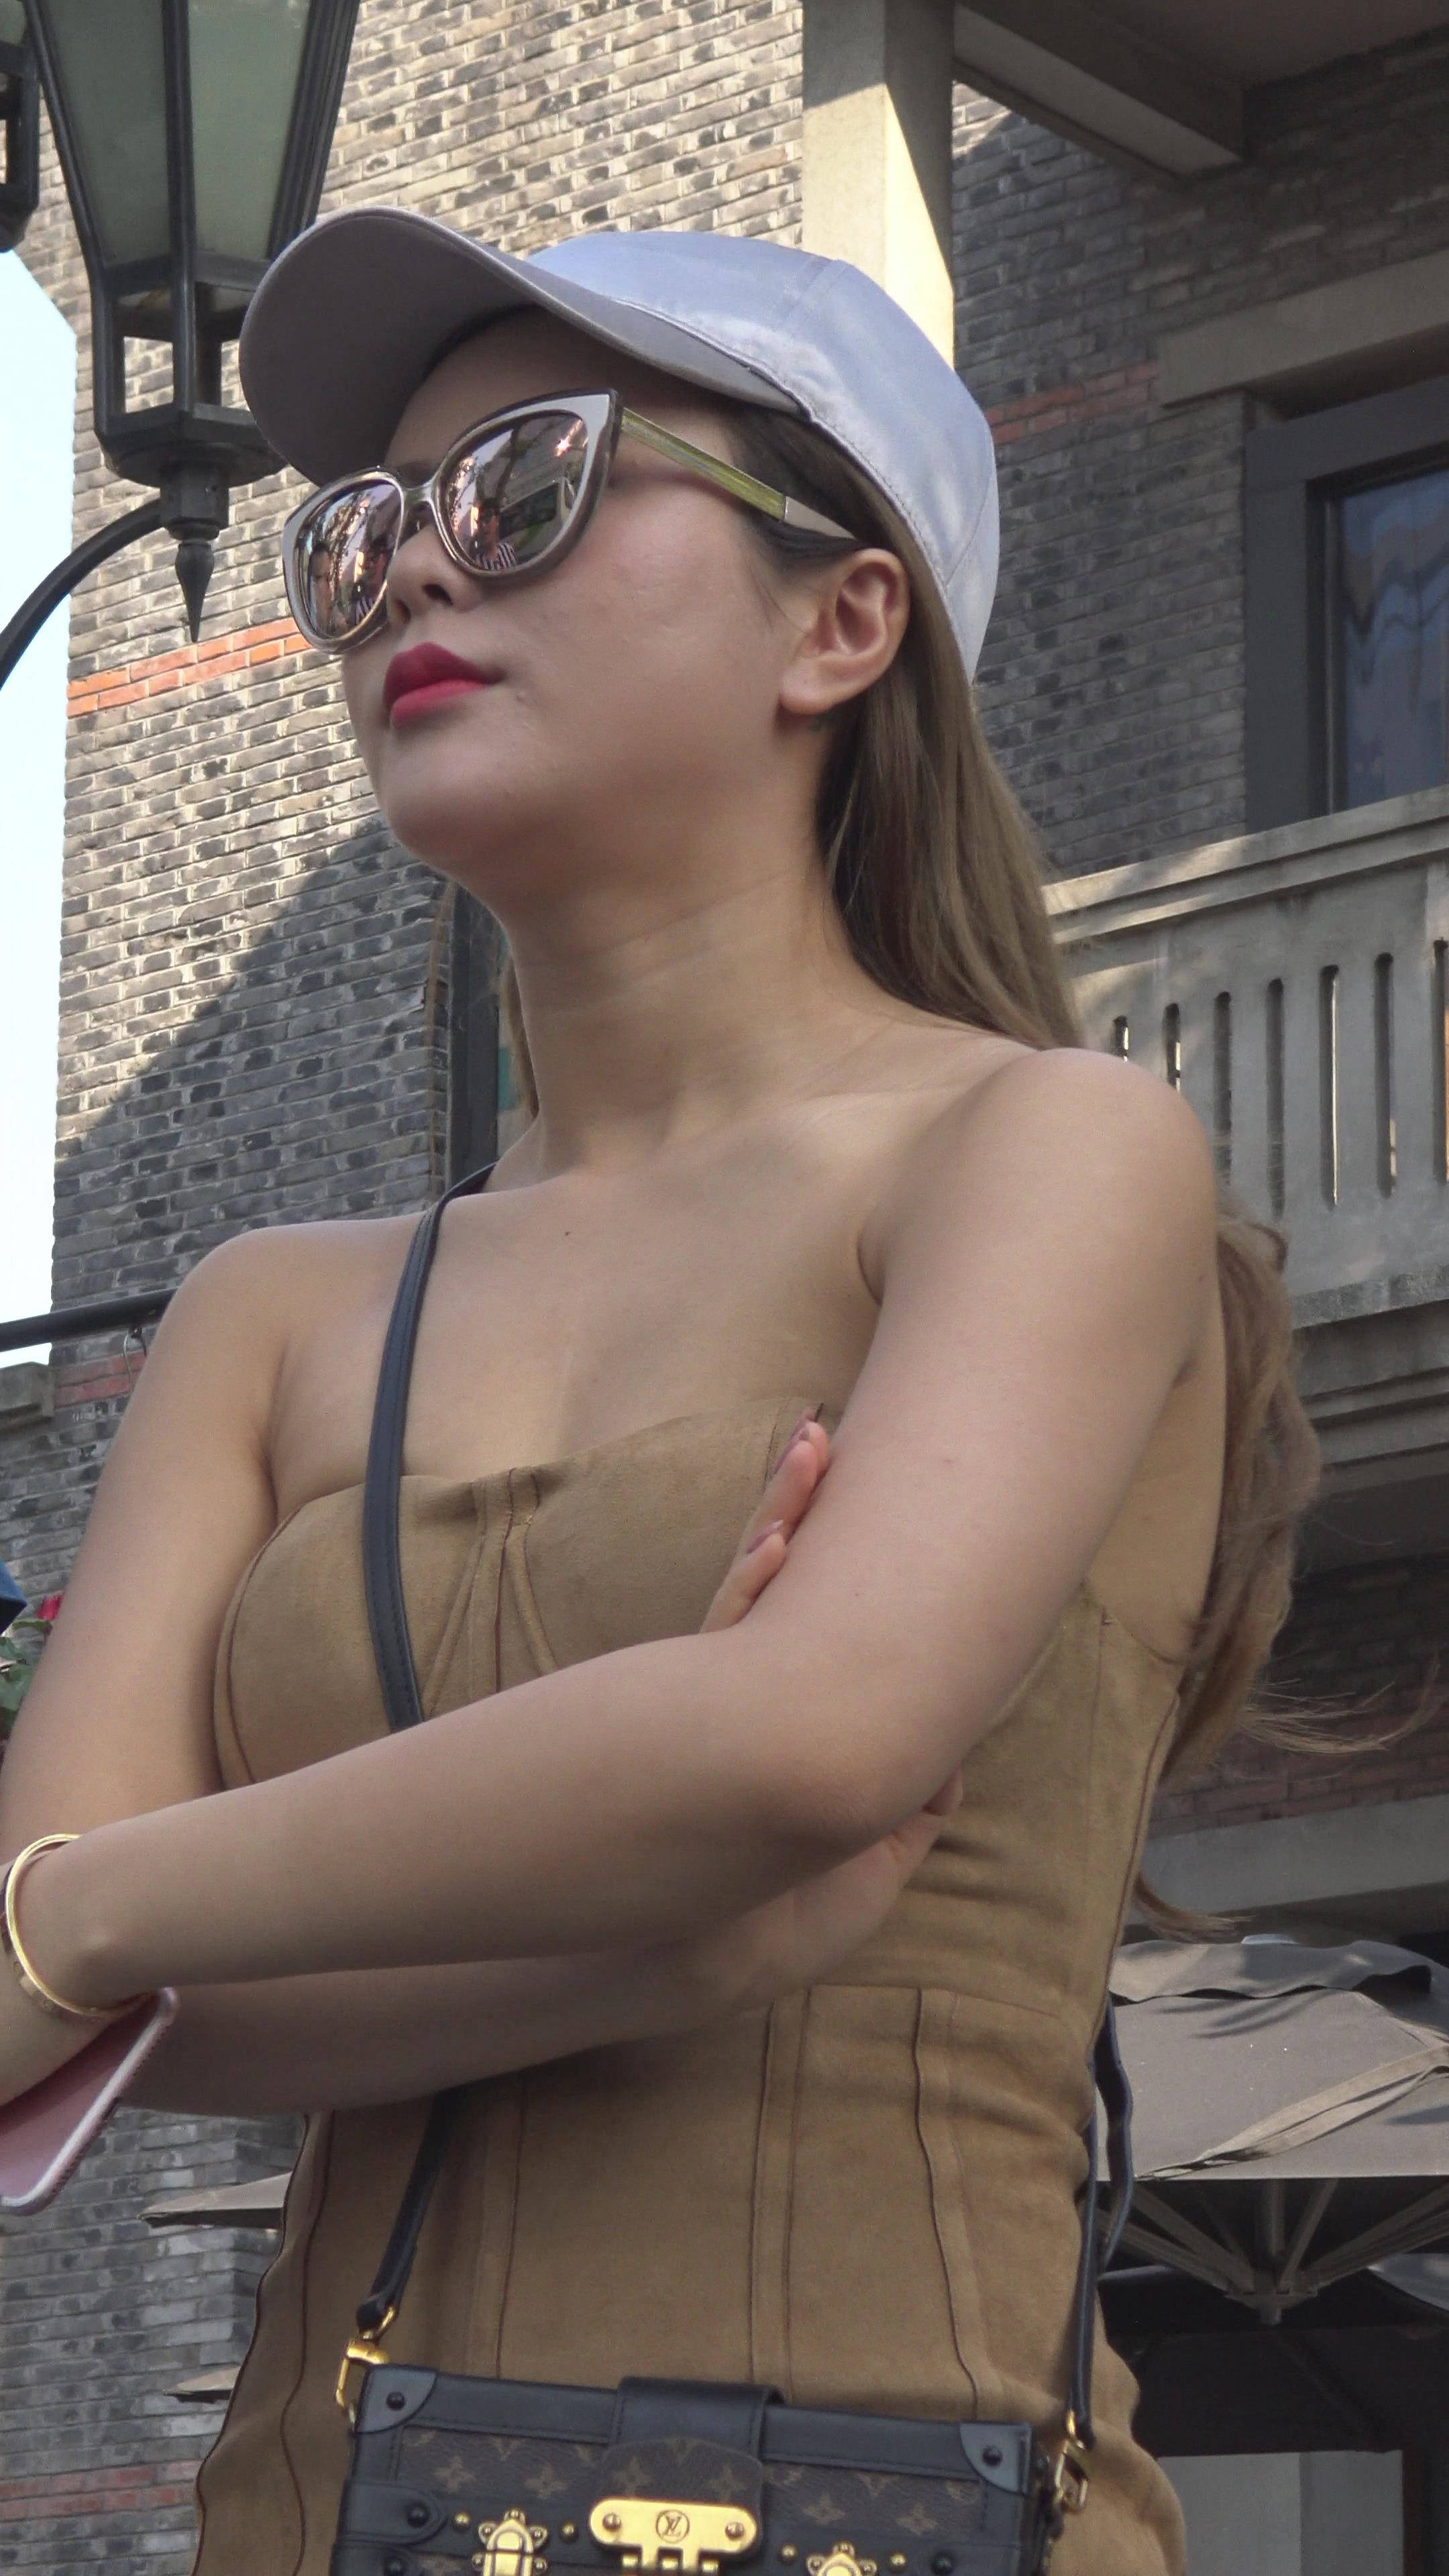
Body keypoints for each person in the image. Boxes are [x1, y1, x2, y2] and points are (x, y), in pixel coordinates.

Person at [0, 218, 1316, 2576]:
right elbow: (67, 2024)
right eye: (357, 534)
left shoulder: (1046, 1153)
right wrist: (639, 1952)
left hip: (877, 2490)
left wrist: (95, 1915)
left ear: (843, 622)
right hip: (317, 2515)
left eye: (526, 484)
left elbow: (810, 1737)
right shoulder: (267, 1312)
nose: (412, 572)